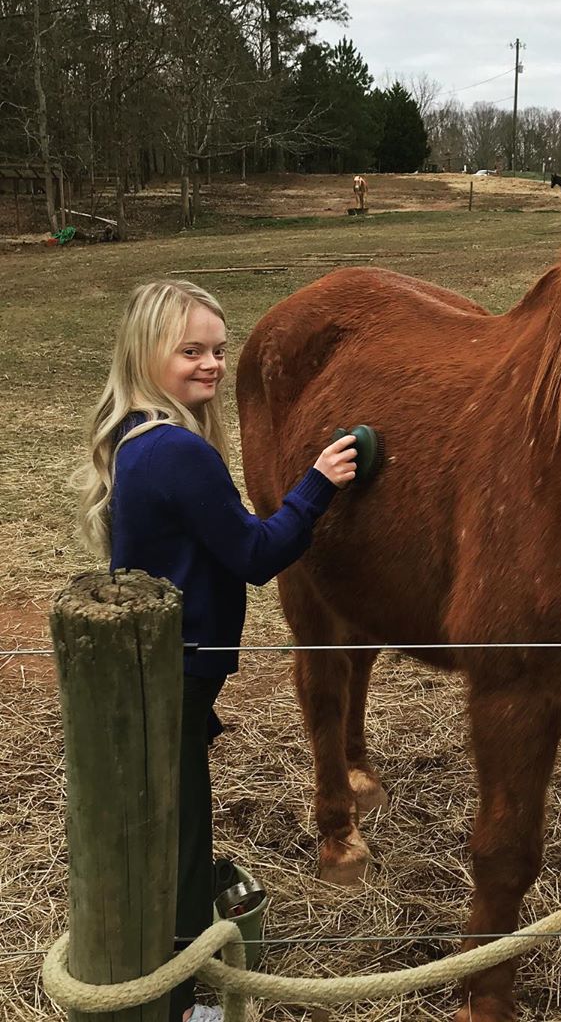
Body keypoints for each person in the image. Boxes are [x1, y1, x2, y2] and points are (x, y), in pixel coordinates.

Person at [75, 280, 360, 1022]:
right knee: (180, 849)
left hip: (156, 672)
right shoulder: (177, 453)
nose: (210, 366)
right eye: (191, 351)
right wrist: (317, 484)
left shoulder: (136, 438)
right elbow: (255, 553)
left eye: (218, 351)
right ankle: (170, 1005)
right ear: (147, 355)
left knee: (171, 831)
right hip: (178, 675)